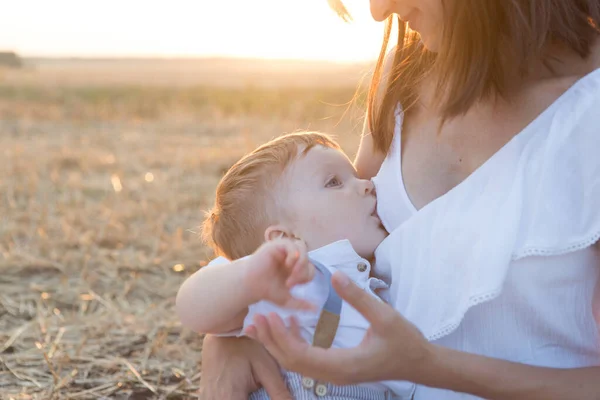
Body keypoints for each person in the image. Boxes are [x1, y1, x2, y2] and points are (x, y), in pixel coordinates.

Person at [197, 0, 600, 399]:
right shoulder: (402, 75)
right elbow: (318, 229)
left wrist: (429, 367)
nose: (378, 11)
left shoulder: (588, 114)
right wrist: (232, 334)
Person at [176, 132, 415, 399]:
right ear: (284, 238)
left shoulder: (374, 277)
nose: (367, 184)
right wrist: (250, 274)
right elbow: (192, 308)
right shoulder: (287, 277)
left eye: (354, 177)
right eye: (334, 182)